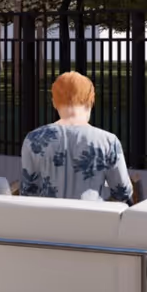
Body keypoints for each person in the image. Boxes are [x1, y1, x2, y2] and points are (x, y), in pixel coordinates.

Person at [19, 71, 132, 202]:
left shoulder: (33, 139)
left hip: (48, 219)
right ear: (91, 100)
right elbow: (123, 192)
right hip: (92, 219)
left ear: (54, 102)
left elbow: (28, 191)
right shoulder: (108, 141)